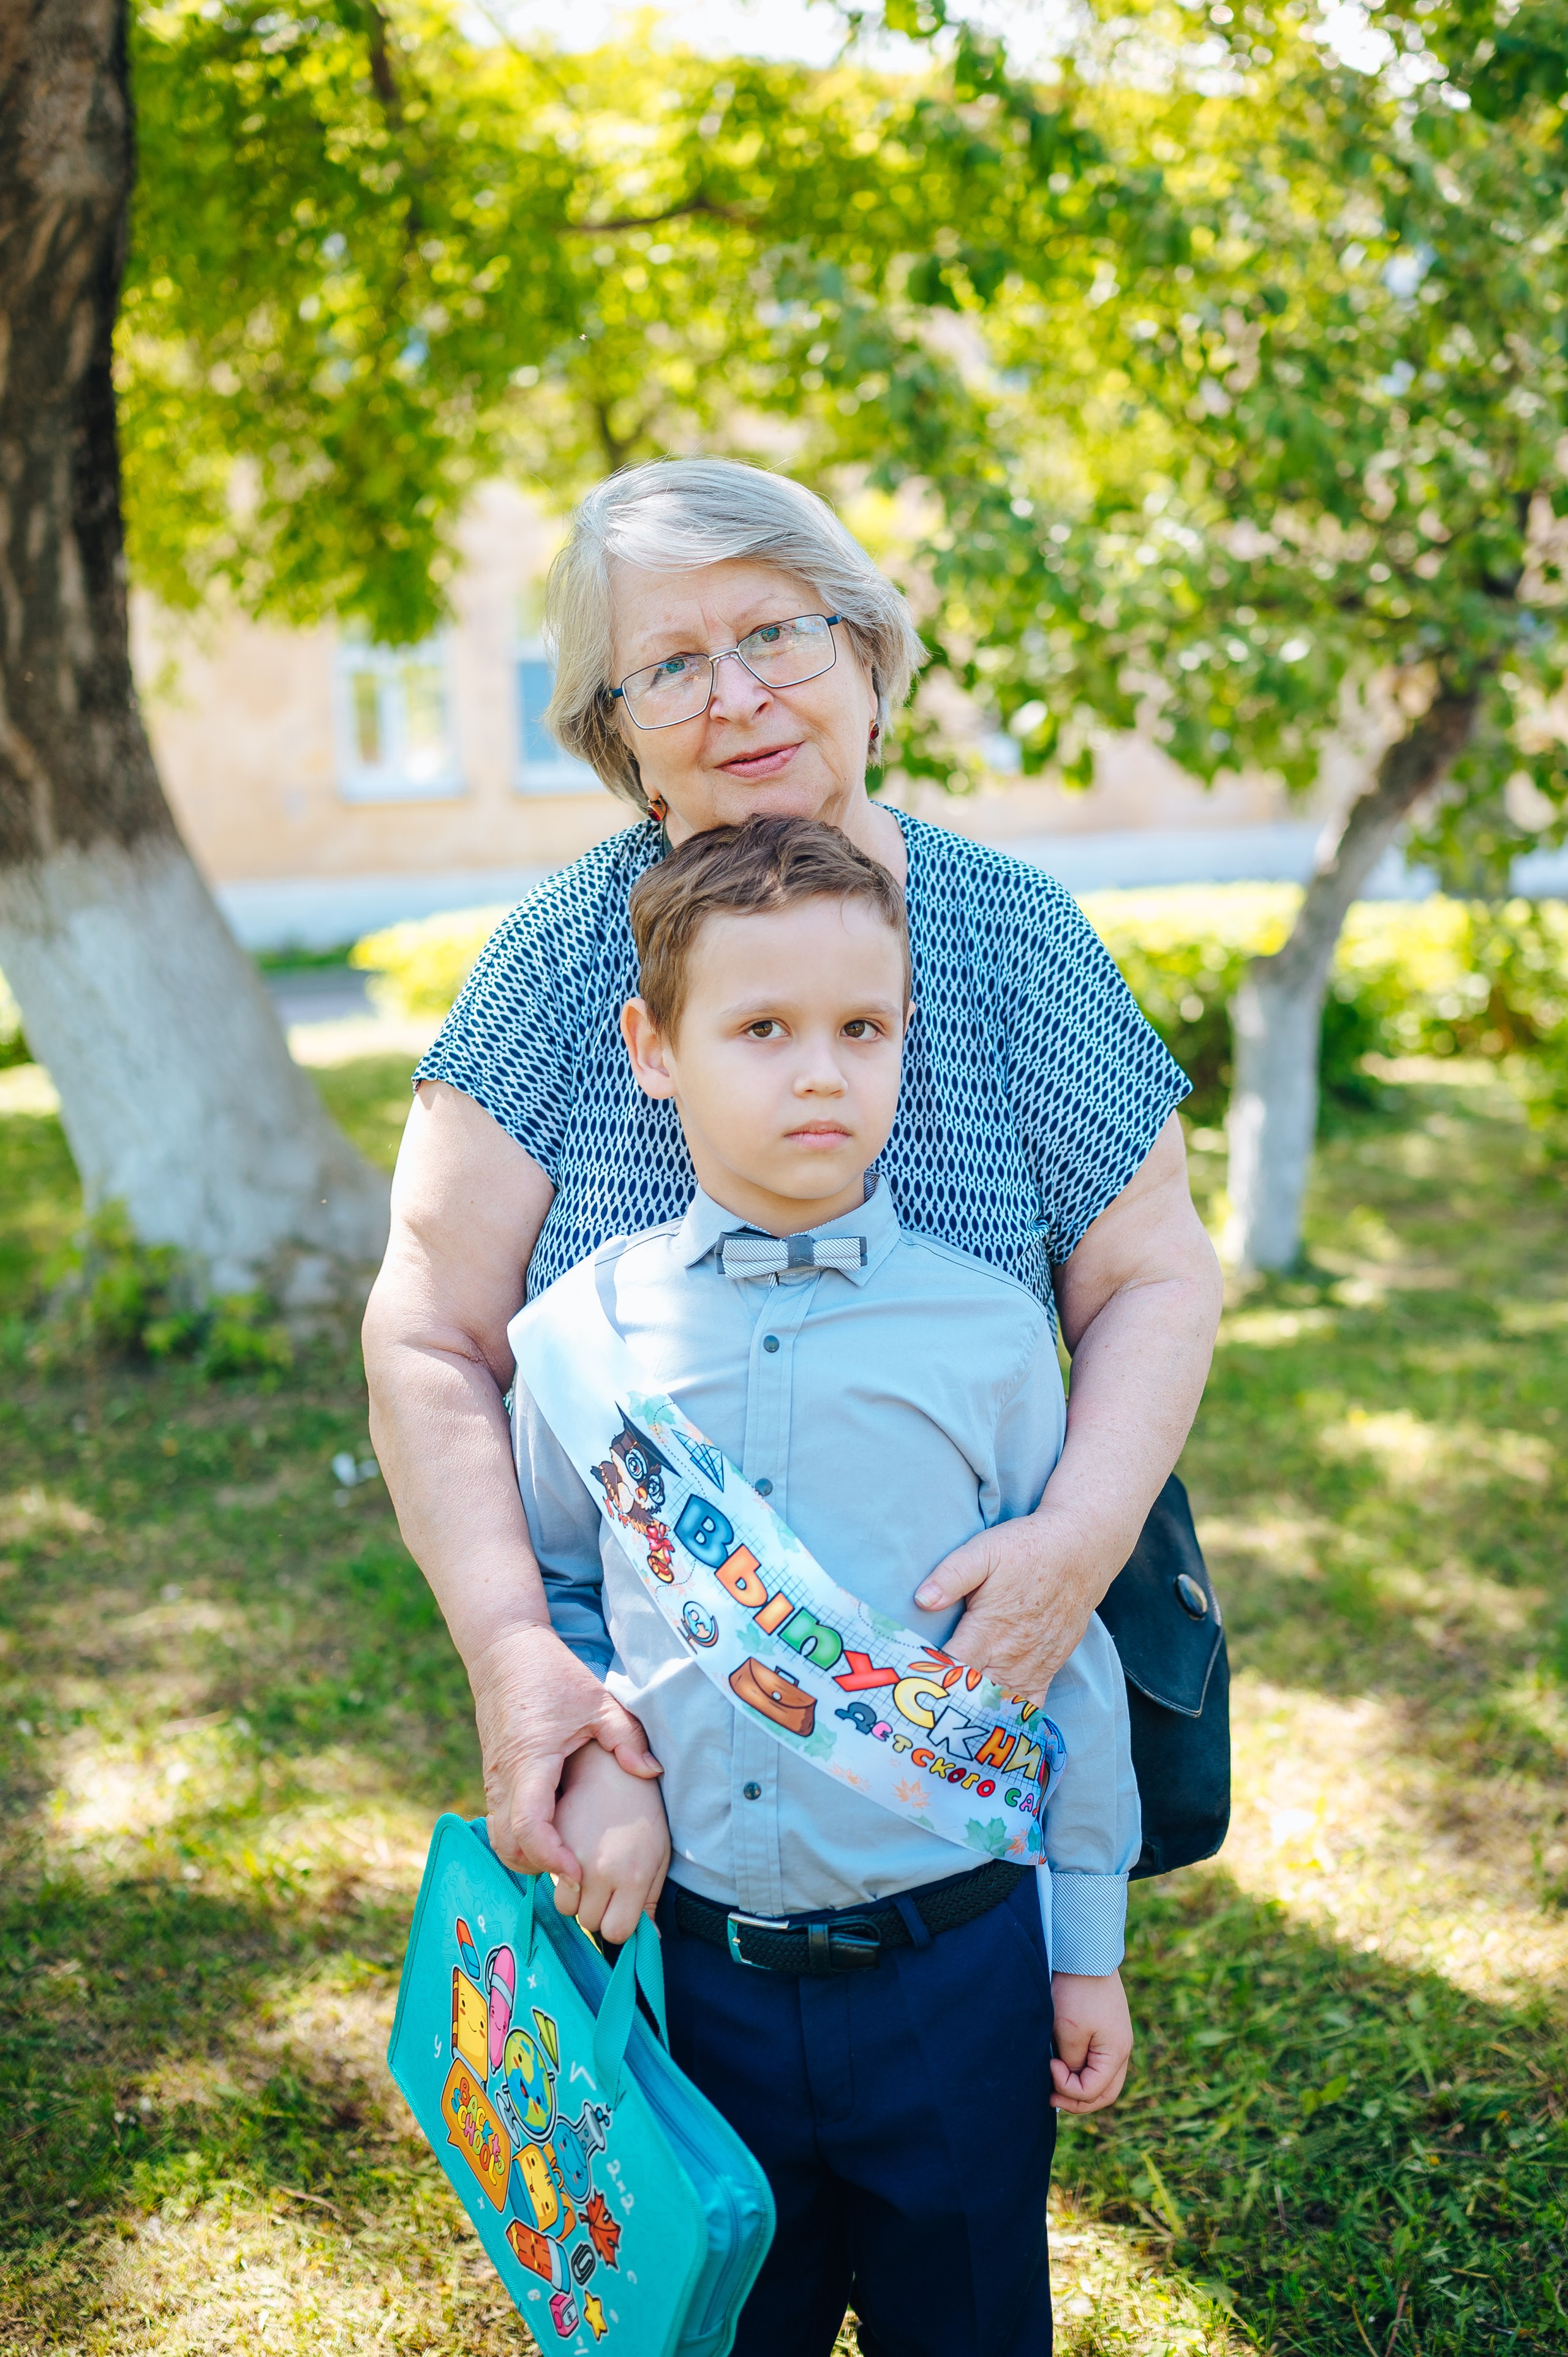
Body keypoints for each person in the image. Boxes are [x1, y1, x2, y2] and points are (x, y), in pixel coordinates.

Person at [362, 454, 1223, 1887]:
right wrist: (517, 1651)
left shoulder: (1014, 934)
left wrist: (1074, 1544)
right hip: (654, 1761)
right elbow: (429, 1330)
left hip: (949, 1743)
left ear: (866, 657)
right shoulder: (554, 960)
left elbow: (1151, 1271)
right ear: (615, 733)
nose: (736, 696)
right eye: (671, 667)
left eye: (774, 633)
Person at [508, 816, 1139, 2357]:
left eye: (861, 1029)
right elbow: (560, 1591)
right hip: (693, 1976)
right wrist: (592, 1759)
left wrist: (1086, 1948)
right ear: (652, 1050)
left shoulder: (992, 1333)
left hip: (957, 1965)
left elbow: (1060, 1654)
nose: (819, 1073)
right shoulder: (579, 1336)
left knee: (973, 2320)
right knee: (725, 2326)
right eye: (762, 1029)